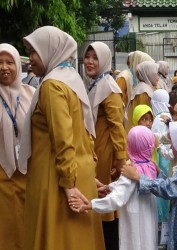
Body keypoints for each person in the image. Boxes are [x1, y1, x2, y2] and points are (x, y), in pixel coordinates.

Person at [19, 26, 104, 250]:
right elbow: (84, 134)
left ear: (50, 50)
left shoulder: (52, 86)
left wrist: (68, 184)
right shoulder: (71, 80)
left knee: (59, 240)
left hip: (56, 178)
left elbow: (63, 139)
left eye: (33, 51)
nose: (30, 59)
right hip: (77, 171)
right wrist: (86, 175)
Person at [69, 126, 158, 250]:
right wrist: (109, 187)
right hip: (148, 222)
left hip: (134, 225)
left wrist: (91, 205)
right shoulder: (152, 167)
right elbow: (125, 187)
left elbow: (116, 199)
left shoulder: (130, 171)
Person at [124, 121, 177, 249]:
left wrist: (139, 178)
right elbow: (175, 185)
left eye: (175, 142)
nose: (172, 146)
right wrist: (160, 173)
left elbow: (168, 189)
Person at [83, 41, 127, 250]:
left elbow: (117, 125)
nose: (90, 62)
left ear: (105, 61)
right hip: (96, 149)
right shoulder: (95, 84)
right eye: (87, 57)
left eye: (95, 58)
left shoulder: (108, 86)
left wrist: (120, 159)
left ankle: (109, 244)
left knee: (107, 201)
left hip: (106, 152)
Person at [0, 43, 35, 250]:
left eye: (9, 62)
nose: (4, 67)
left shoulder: (31, 94)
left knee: (27, 227)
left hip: (29, 173)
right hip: (1, 177)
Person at [150, 89, 172, 224]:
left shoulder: (158, 119)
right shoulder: (170, 116)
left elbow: (154, 138)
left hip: (162, 156)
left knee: (162, 185)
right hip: (171, 155)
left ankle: (162, 218)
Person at [126, 61, 159, 131]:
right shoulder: (143, 92)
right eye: (156, 74)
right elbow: (143, 118)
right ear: (149, 74)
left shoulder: (144, 88)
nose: (158, 78)